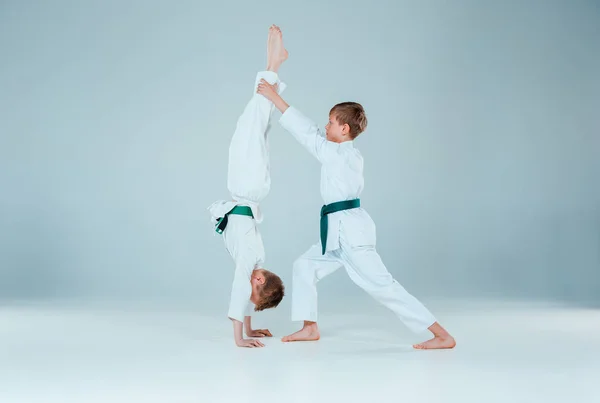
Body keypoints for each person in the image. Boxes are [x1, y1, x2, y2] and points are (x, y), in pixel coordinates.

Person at [256, 71, 456, 350]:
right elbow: (312, 133)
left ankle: (441, 334)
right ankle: (309, 327)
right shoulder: (339, 152)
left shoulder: (341, 155)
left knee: (383, 285)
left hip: (351, 233)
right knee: (305, 266)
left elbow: (306, 133)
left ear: (344, 130)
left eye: (330, 122)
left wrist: (275, 96)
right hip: (337, 231)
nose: (325, 126)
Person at [208, 25, 287, 348]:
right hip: (247, 186)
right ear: (258, 280)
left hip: (249, 189)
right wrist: (240, 338)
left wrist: (251, 329)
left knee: (256, 124)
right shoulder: (251, 260)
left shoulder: (254, 261)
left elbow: (245, 291)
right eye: (255, 293)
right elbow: (240, 291)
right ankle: (274, 64)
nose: (248, 294)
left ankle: (273, 63)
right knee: (253, 122)